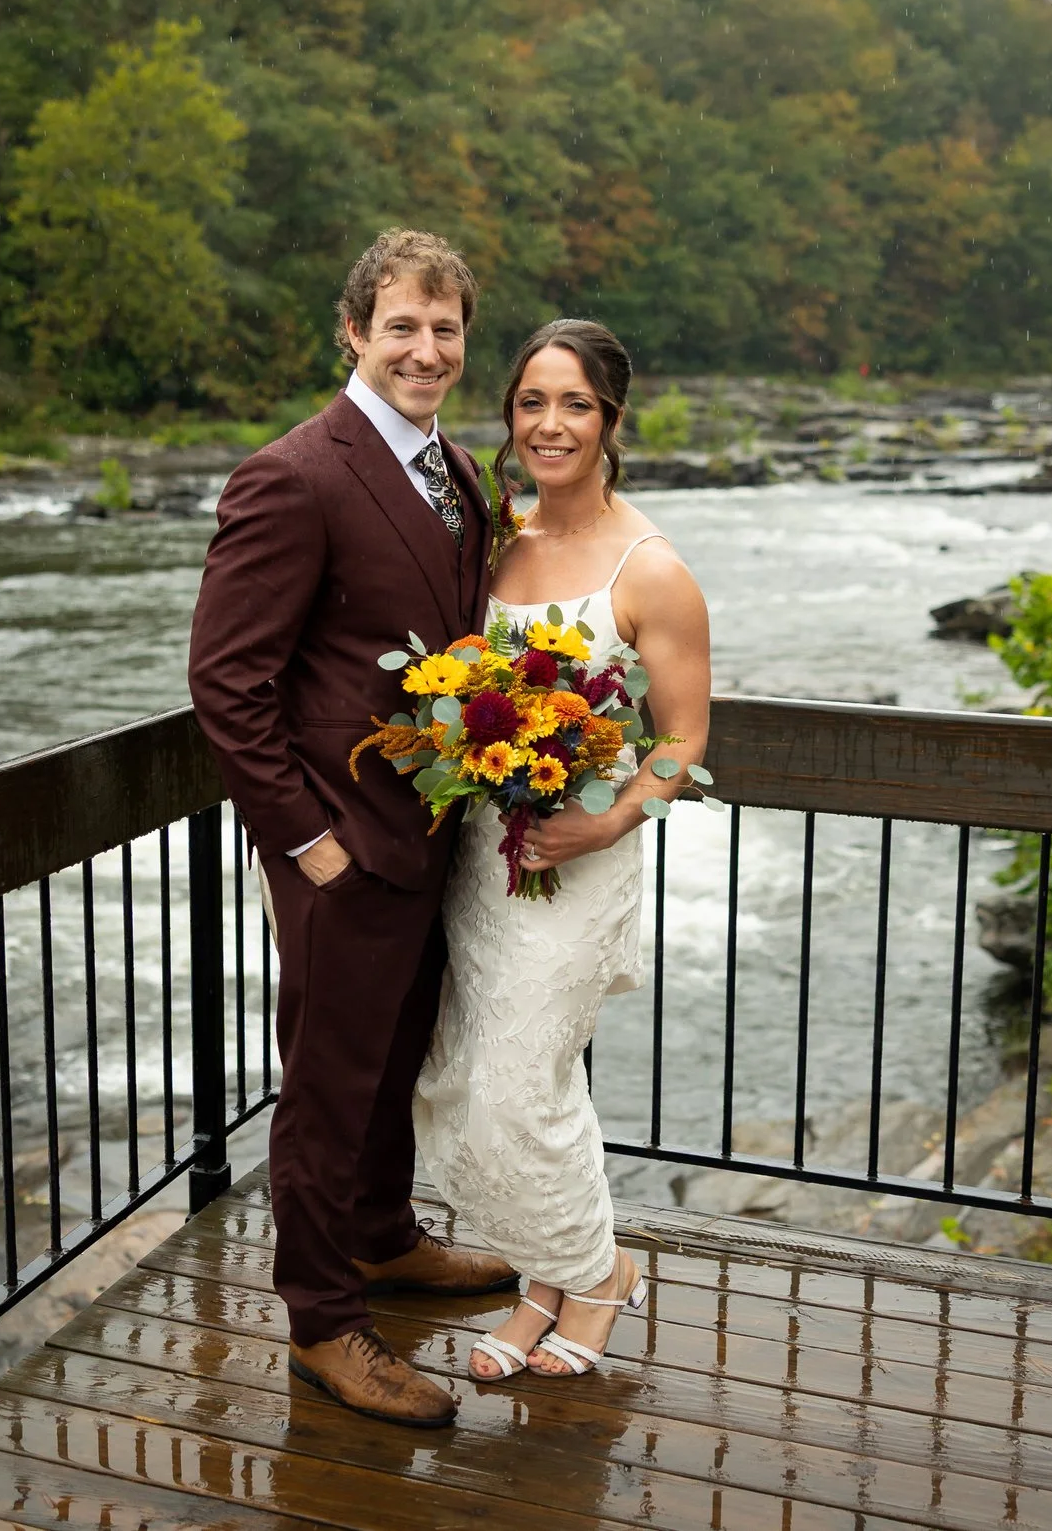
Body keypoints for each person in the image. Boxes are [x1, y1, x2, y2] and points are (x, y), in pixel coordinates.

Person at [186, 228, 517, 1429]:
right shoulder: (292, 473)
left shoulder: (457, 470)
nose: (426, 349)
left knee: (393, 1057)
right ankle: (324, 1320)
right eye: (401, 327)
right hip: (338, 842)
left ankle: (382, 1235)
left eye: (444, 329)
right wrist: (304, 840)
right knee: (327, 1087)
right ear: (353, 332)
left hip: (427, 828)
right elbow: (226, 680)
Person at [412, 318, 712, 1380]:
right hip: (482, 855)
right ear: (509, 415)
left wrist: (608, 818)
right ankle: (550, 1278)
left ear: (610, 419)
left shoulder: (652, 569)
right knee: (464, 1077)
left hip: (580, 857)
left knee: (522, 1085)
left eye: (574, 404)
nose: (550, 423)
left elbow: (682, 739)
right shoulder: (495, 542)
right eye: (532, 402)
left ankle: (597, 1277)